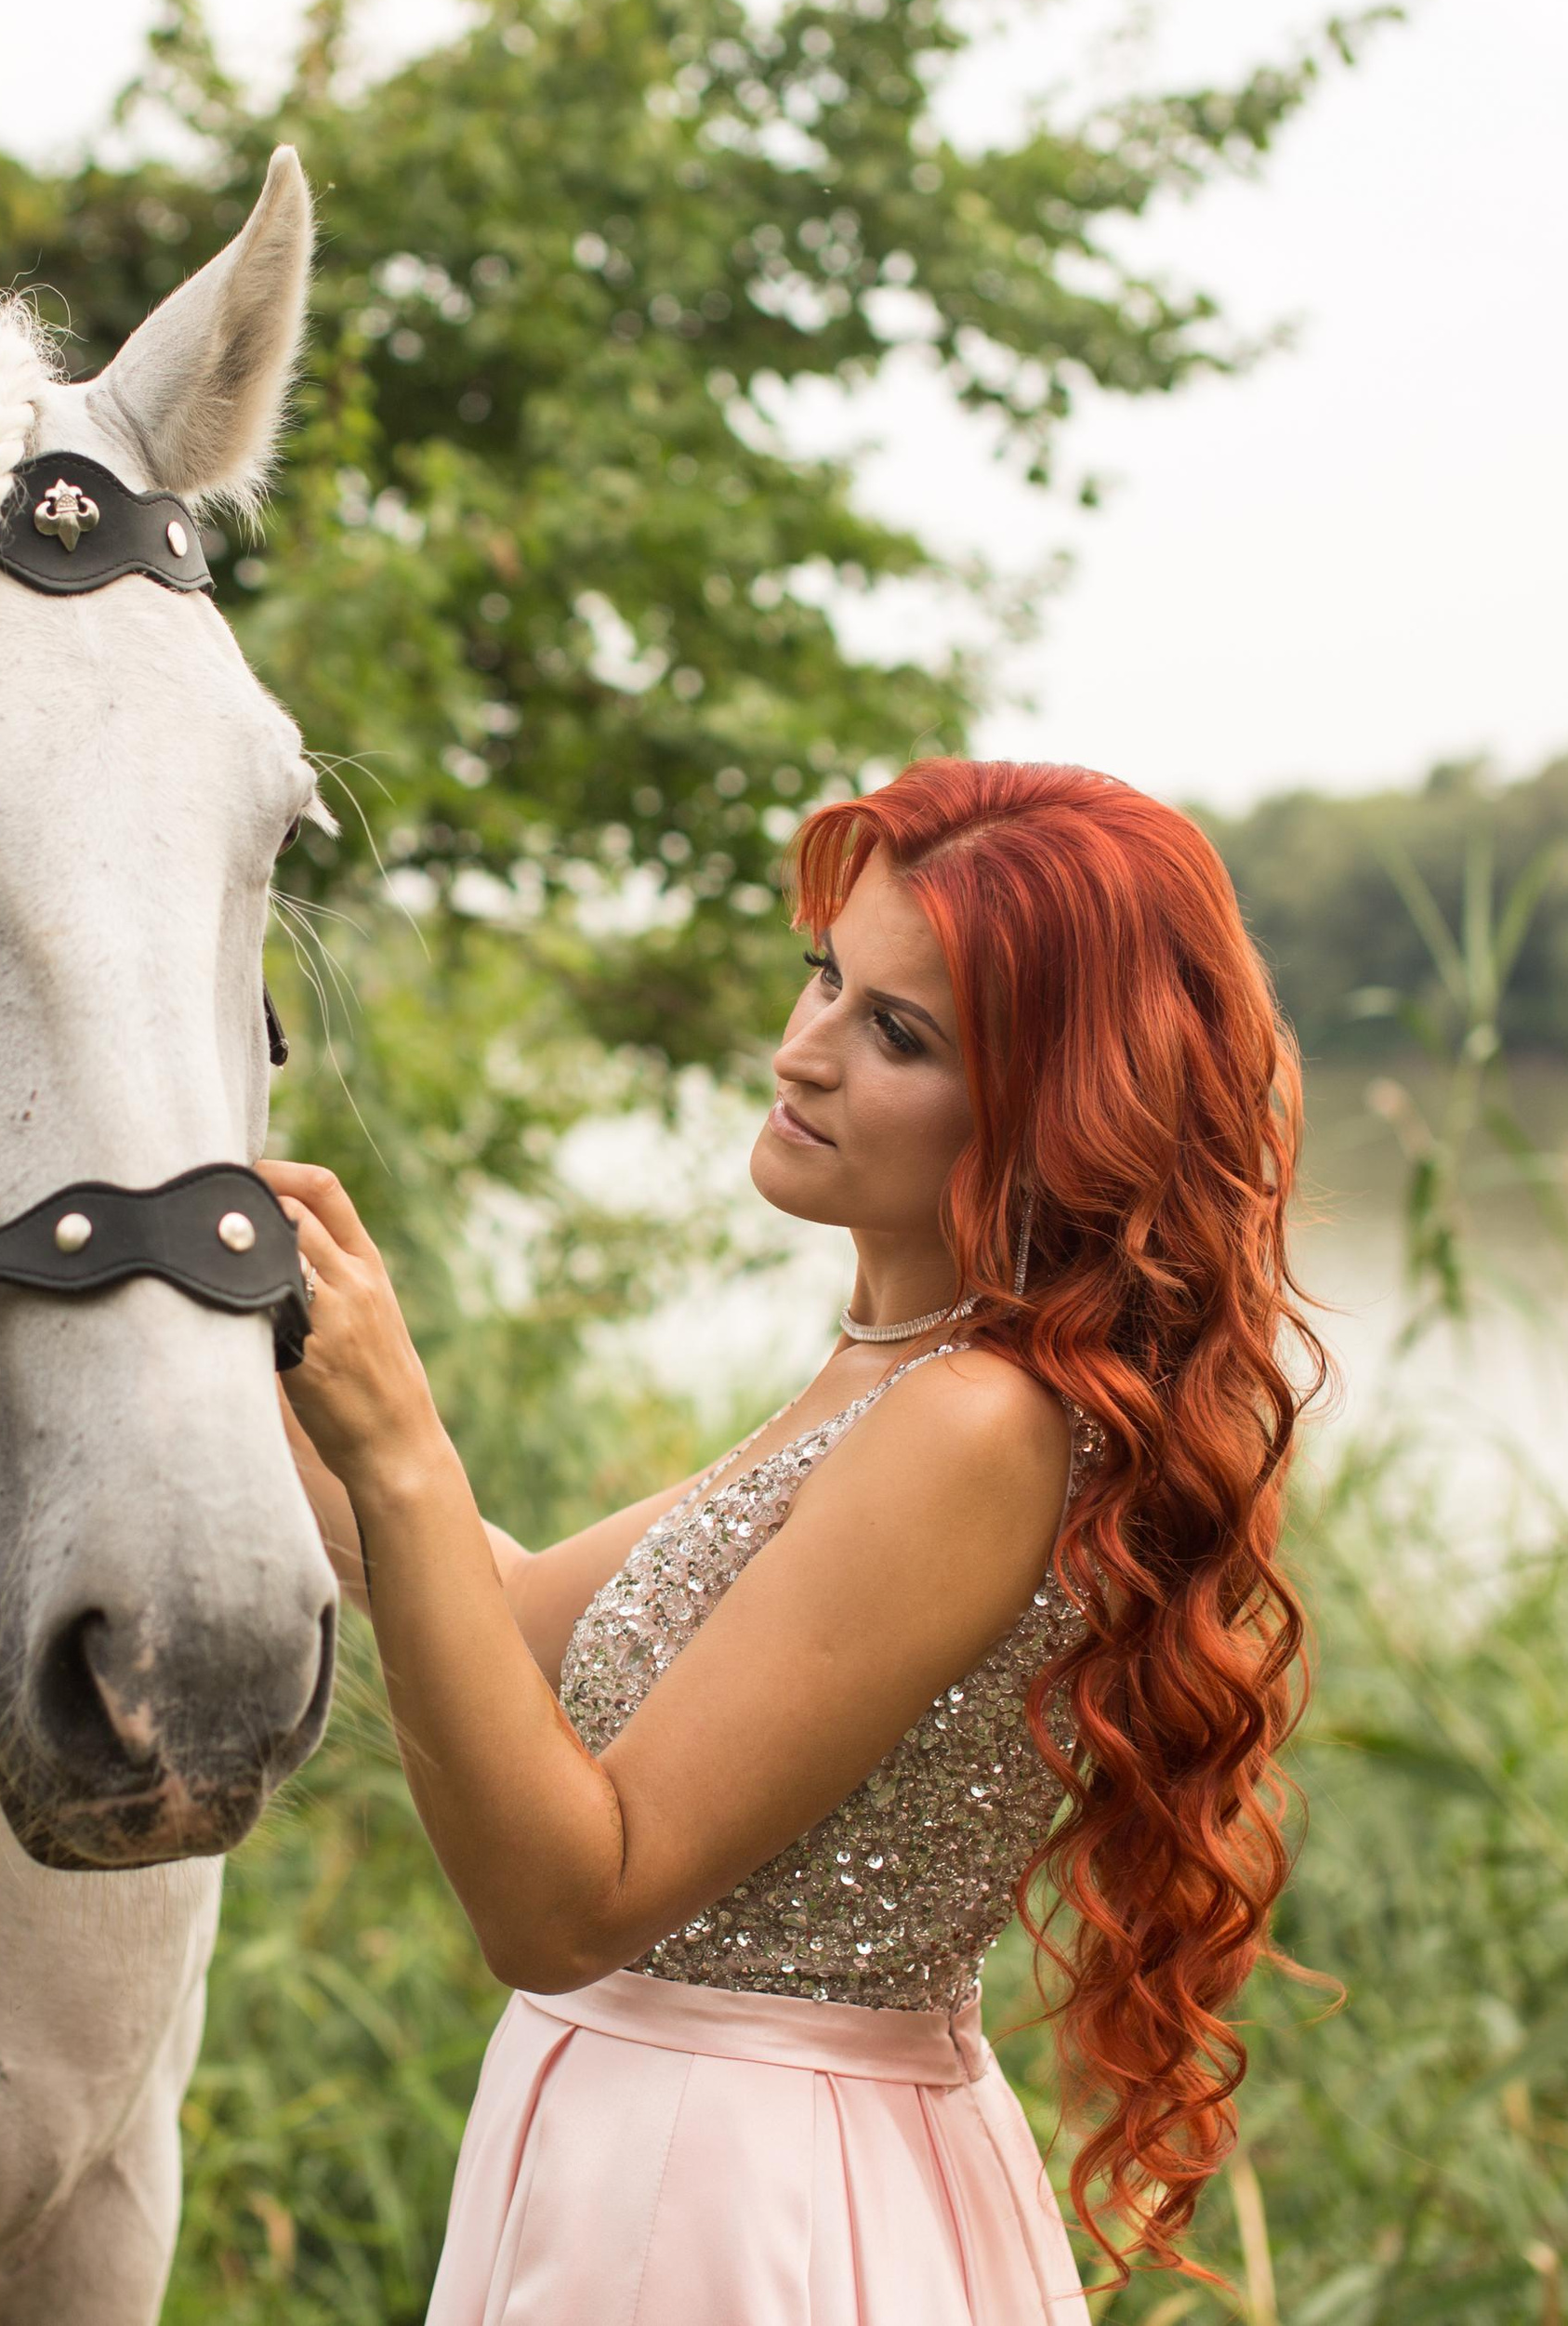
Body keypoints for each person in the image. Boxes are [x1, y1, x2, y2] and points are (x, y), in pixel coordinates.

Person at [266, 757, 1324, 2322]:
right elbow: (489, 1611)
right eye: (827, 976)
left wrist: (406, 1445)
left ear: (1053, 1111)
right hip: (670, 2149)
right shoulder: (894, 1377)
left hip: (743, 2199)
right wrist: (219, 1293)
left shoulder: (983, 1424)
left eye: (895, 1032)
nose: (801, 1050)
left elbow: (563, 1906)